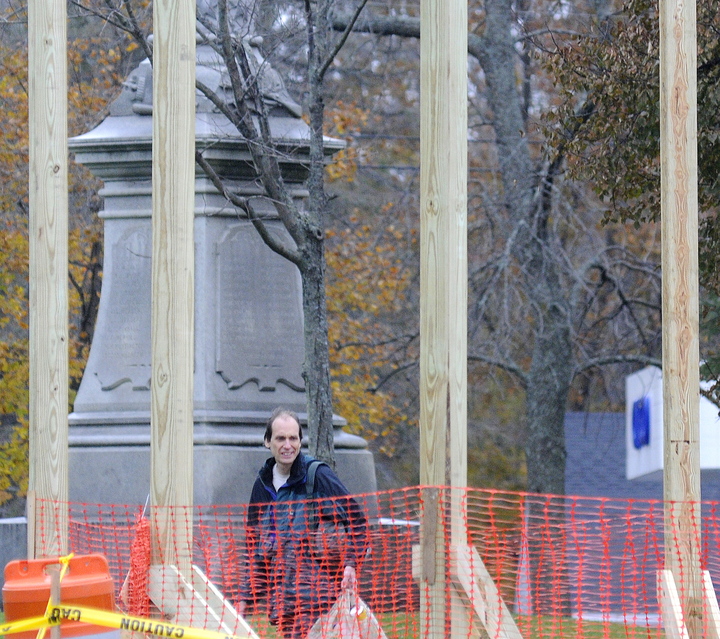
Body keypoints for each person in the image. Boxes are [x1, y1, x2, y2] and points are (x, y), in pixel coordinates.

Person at [238, 407, 367, 639]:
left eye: (293, 438)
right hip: (282, 605)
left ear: (300, 441)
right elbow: (253, 548)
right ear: (268, 442)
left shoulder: (318, 475)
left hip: (319, 599)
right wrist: (244, 600)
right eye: (280, 438)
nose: (288, 445)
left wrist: (350, 564)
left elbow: (357, 521)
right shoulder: (262, 486)